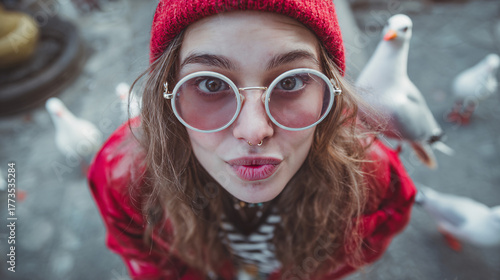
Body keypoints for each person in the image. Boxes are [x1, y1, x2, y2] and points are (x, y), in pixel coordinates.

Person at [87, 0, 416, 279]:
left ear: (328, 93)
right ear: (166, 95)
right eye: (211, 85)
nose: (254, 131)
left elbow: (366, 243)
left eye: (291, 82)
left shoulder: (368, 177)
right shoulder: (125, 178)